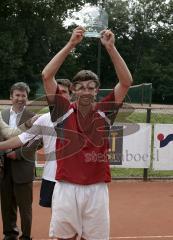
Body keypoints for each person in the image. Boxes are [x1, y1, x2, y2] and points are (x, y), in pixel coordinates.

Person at [41, 26, 133, 240]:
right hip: (65, 186)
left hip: (96, 188)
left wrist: (111, 48)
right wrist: (71, 44)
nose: (86, 91)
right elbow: (47, 75)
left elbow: (126, 81)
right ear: (73, 90)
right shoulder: (62, 111)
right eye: (81, 87)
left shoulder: (105, 112)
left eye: (91, 87)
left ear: (96, 91)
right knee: (64, 238)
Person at [0, 79, 71, 209]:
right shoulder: (43, 118)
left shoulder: (81, 117)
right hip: (50, 176)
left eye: (64, 92)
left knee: (74, 215)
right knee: (56, 216)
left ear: (70, 95)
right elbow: (20, 137)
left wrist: (18, 153)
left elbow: (36, 143)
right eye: (56, 92)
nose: (60, 95)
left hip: (72, 179)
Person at [0, 82, 40, 240]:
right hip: (3, 166)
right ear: (11, 97)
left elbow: (38, 141)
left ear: (27, 98)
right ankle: (9, 234)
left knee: (25, 206)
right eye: (17, 95)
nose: (20, 98)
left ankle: (26, 236)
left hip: (23, 165)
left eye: (23, 95)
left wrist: (18, 153)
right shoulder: (1, 115)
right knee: (6, 203)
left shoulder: (32, 116)